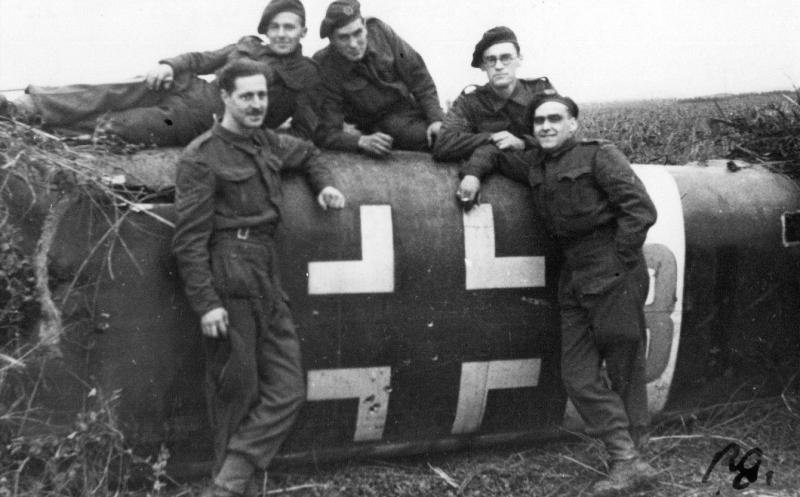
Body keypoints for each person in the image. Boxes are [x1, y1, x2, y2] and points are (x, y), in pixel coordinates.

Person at [456, 92, 659, 495]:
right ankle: (631, 459)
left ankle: (630, 457)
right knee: (578, 375)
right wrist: (474, 172)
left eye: (554, 119)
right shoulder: (536, 164)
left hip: (612, 266)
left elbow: (640, 210)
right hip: (574, 273)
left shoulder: (599, 155)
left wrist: (617, 263)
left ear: (572, 124)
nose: (546, 127)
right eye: (538, 122)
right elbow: (492, 152)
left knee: (624, 366)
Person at [172, 59, 345, 497]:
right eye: (246, 96)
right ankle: (233, 487)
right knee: (237, 390)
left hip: (267, 270)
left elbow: (309, 153)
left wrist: (323, 184)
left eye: (262, 95)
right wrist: (207, 302)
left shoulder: (268, 143)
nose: (256, 104)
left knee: (288, 388)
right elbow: (189, 241)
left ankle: (227, 483)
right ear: (224, 97)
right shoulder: (201, 156)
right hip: (230, 271)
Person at [0, 0, 320, 146]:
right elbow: (200, 59)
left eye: (288, 27)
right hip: (188, 87)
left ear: (302, 32)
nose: (280, 33)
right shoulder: (248, 43)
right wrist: (169, 65)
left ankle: (35, 134)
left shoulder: (304, 76)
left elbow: (304, 132)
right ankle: (25, 109)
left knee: (121, 125)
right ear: (266, 28)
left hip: (201, 121)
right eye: (275, 26)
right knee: (115, 90)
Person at [312, 0, 444, 157]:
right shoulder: (325, 66)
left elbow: (418, 76)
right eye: (343, 37)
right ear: (332, 40)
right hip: (385, 124)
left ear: (364, 26)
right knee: (440, 141)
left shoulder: (379, 30)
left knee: (456, 126)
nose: (354, 44)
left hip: (413, 107)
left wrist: (435, 118)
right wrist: (360, 141)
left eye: (357, 33)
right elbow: (326, 130)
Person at [433, 26, 554, 167]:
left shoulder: (540, 91)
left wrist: (523, 143)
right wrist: (492, 138)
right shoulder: (470, 101)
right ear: (483, 66)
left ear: (519, 60)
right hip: (492, 174)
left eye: (506, 58)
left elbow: (563, 134)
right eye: (491, 60)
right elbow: (443, 144)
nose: (498, 66)